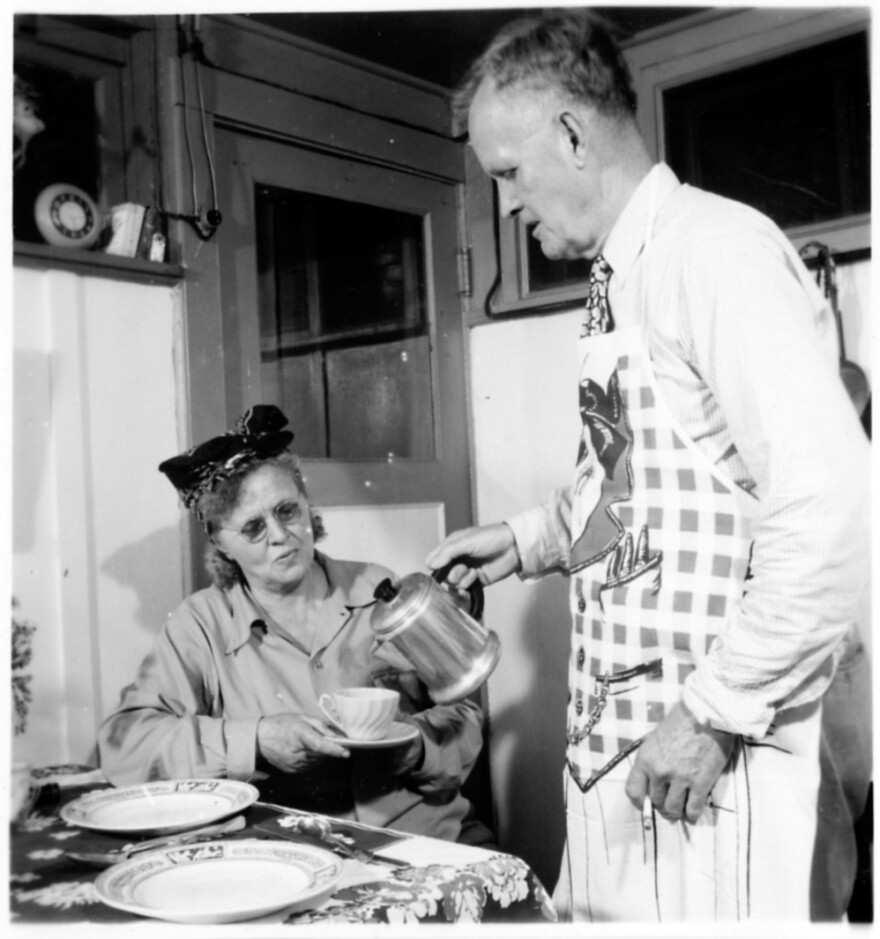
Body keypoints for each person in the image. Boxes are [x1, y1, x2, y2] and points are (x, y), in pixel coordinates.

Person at [427, 10, 871, 922]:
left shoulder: (714, 253)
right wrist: (525, 539)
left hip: (719, 761)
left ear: (574, 133)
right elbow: (631, 486)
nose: (508, 201)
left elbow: (833, 509)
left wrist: (714, 713)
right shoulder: (617, 281)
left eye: (509, 173)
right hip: (628, 745)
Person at [98, 404, 492, 845]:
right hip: (294, 858)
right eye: (252, 527)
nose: (280, 534)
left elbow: (463, 714)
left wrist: (418, 748)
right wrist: (256, 741)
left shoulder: (376, 587)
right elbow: (122, 746)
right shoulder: (201, 626)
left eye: (287, 510)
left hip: (425, 840)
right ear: (221, 545)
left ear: (308, 507)